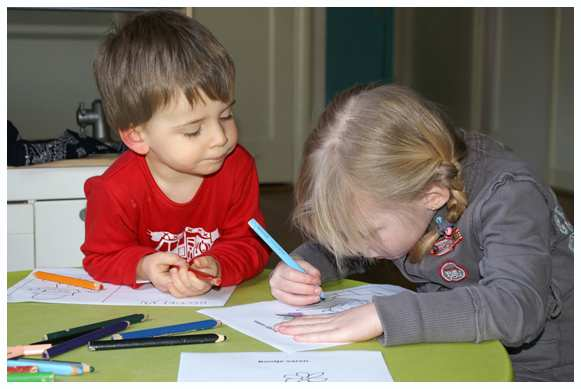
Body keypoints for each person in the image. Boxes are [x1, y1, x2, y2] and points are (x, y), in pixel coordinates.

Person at [269, 84, 573, 381]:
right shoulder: (410, 189)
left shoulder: (510, 196)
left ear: (432, 196)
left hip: (545, 367)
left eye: (367, 233)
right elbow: (350, 245)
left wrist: (382, 316)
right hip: (461, 345)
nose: (354, 247)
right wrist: (307, 265)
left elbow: (516, 309)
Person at [81, 10, 269, 298]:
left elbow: (251, 244)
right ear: (136, 136)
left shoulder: (238, 167)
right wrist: (143, 266)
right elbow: (100, 258)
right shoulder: (114, 190)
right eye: (193, 130)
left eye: (226, 115)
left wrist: (218, 264)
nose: (220, 138)